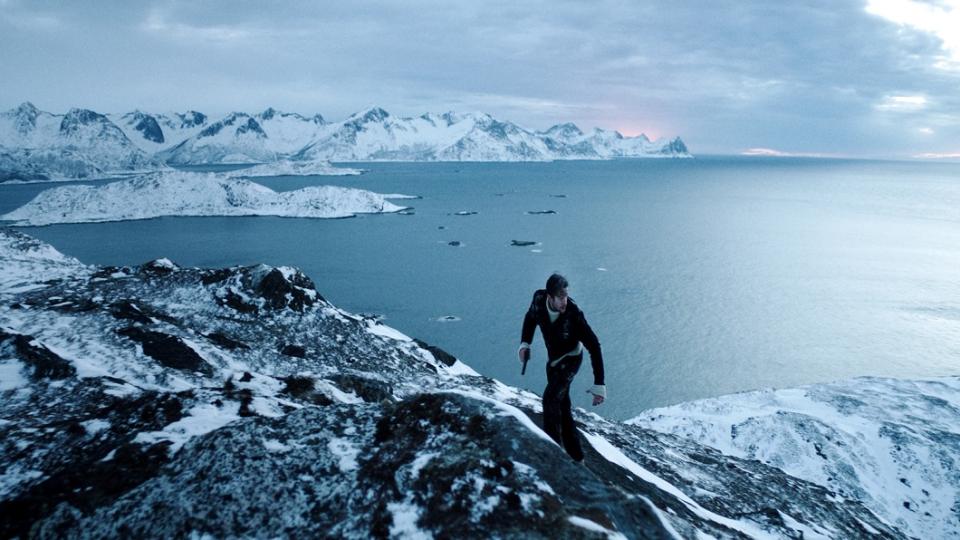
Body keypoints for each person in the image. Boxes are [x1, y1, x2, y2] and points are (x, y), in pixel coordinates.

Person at [519, 273, 605, 462]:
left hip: (572, 359)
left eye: (566, 296)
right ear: (550, 296)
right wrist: (525, 343)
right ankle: (577, 458)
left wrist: (599, 384)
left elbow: (594, 345)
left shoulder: (573, 314)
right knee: (563, 408)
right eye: (560, 297)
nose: (564, 301)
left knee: (550, 400)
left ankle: (555, 457)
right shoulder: (539, 299)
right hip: (554, 362)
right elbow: (530, 317)